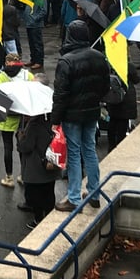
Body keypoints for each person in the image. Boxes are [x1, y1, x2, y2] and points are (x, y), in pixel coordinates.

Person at [52, 20, 111, 211]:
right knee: (90, 150)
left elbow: (60, 94)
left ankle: (74, 197)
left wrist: (55, 119)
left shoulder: (66, 61)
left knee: (75, 153)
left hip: (72, 115)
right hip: (92, 111)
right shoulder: (99, 57)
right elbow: (105, 87)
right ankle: (94, 192)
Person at [0, 54, 33, 187]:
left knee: (7, 147)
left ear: (7, 62)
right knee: (22, 146)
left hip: (7, 116)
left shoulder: (2, 76)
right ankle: (23, 175)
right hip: (22, 116)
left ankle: (9, 177)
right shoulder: (27, 75)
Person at [16, 111, 59, 228]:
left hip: (35, 168)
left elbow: (26, 147)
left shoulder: (33, 125)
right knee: (49, 192)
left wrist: (20, 138)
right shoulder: (51, 122)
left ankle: (38, 219)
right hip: (50, 165)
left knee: (36, 196)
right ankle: (50, 217)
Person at [22, 0, 47, 71]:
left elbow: (43, 10)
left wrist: (34, 19)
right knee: (31, 43)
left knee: (37, 43)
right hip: (29, 23)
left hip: (36, 24)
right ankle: (33, 59)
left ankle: (39, 61)